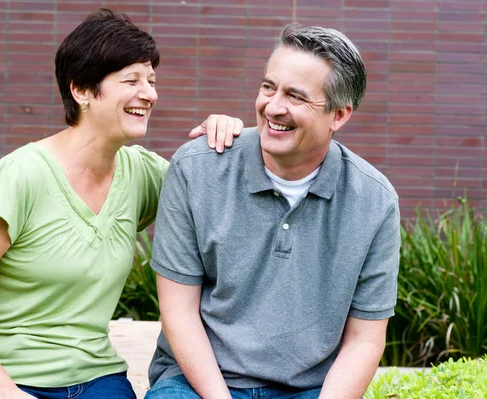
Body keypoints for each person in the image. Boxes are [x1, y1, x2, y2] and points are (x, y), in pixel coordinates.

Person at [0, 9, 242, 399]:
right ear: (82, 91)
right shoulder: (19, 177)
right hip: (0, 381)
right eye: (131, 80)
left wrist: (224, 136)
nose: (149, 93)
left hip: (95, 378)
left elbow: (220, 192)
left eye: (152, 81)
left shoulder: (143, 174)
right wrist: (7, 393)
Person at [145, 23, 401, 399]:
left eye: (296, 97)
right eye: (269, 87)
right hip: (196, 383)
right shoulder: (197, 168)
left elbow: (364, 340)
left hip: (310, 389)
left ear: (339, 115)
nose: (273, 107)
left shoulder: (375, 202)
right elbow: (178, 312)